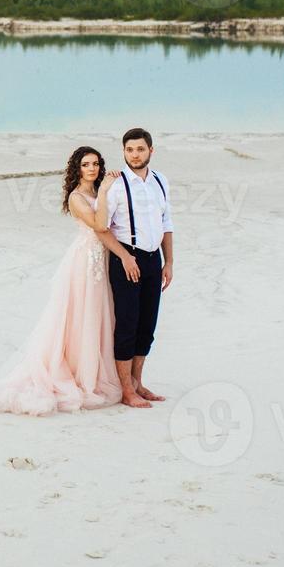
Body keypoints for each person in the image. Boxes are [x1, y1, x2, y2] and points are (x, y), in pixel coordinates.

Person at [0, 146, 124, 416]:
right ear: (77, 169)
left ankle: (94, 369)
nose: (92, 169)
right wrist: (106, 191)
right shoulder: (77, 197)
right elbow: (99, 224)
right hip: (85, 261)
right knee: (82, 314)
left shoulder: (97, 192)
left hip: (103, 259)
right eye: (86, 165)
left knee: (99, 314)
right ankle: (77, 373)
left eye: (96, 164)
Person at [95, 127, 174, 409]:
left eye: (140, 149)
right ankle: (127, 390)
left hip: (154, 260)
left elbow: (166, 223)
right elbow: (101, 228)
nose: (134, 155)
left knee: (147, 325)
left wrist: (169, 262)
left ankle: (139, 383)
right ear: (124, 152)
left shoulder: (161, 181)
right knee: (127, 325)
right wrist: (126, 257)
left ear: (151, 151)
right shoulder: (117, 185)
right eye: (129, 150)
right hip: (126, 259)